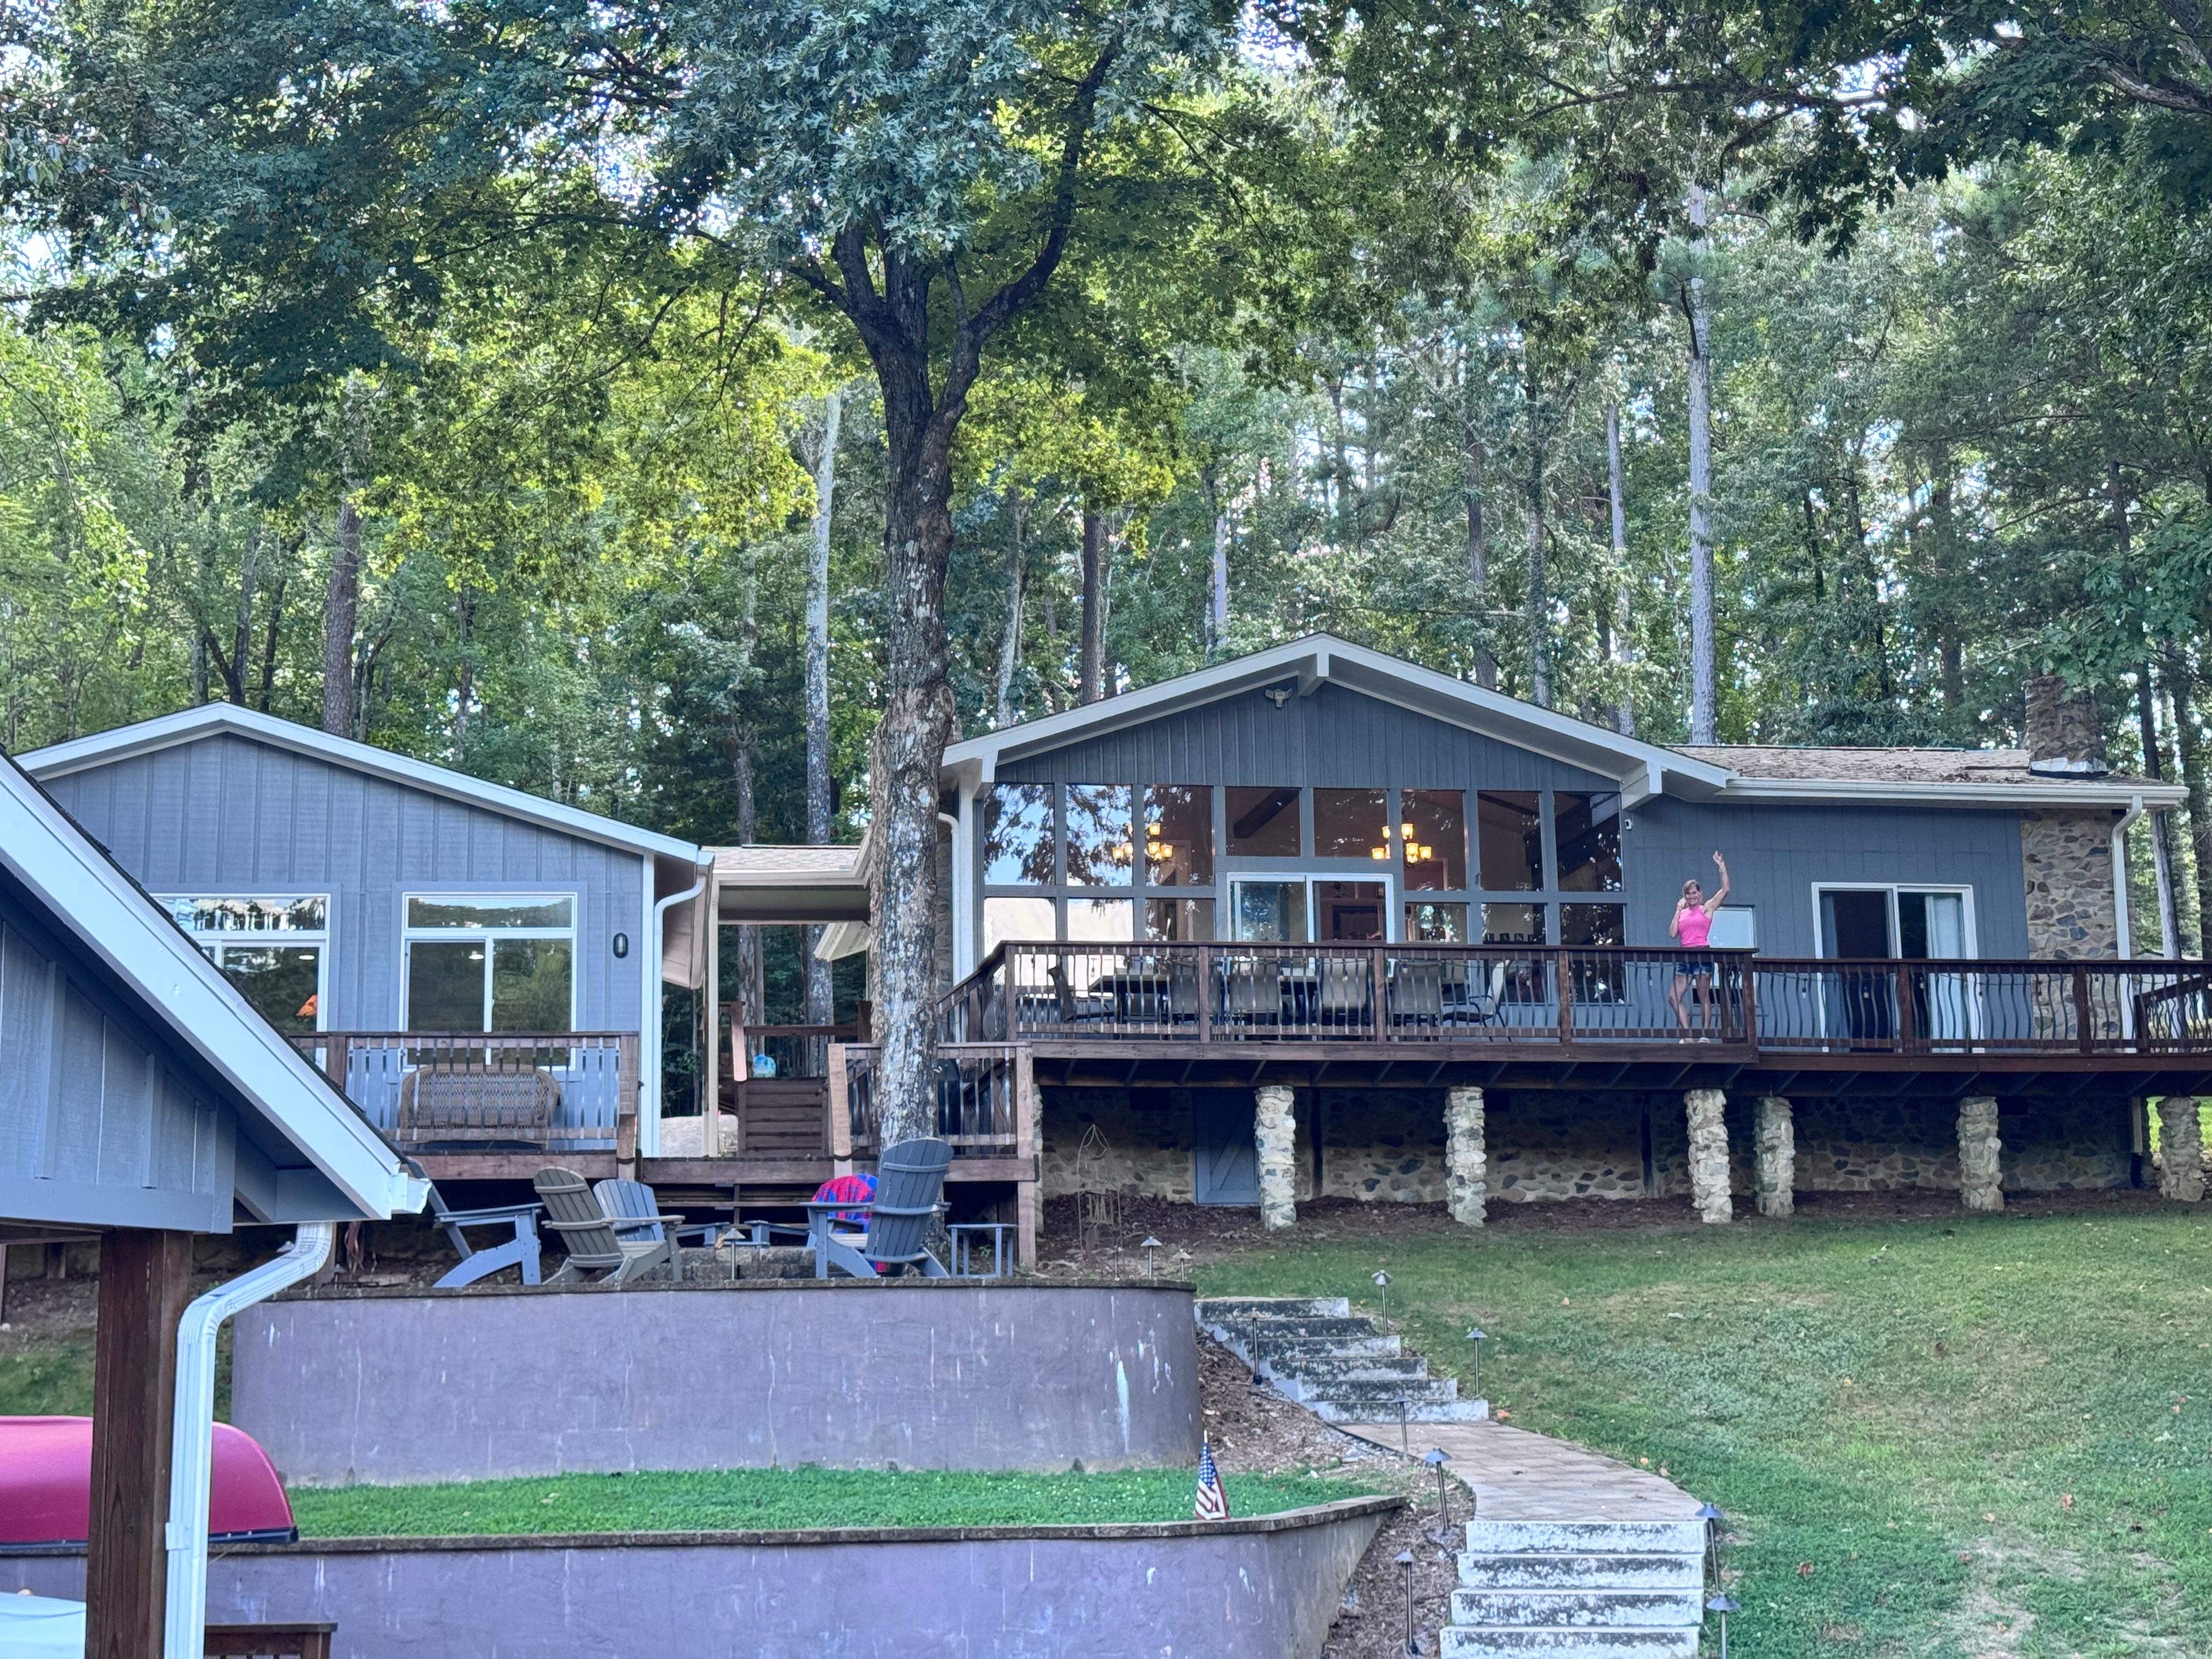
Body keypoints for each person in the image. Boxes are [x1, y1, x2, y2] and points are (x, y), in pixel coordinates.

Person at [1668, 850, 1731, 1036]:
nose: (1691, 897)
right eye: (1688, 894)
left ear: (1700, 893)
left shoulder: (1707, 908)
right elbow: (1673, 934)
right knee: (1673, 997)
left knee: (1704, 996)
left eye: (1694, 893)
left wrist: (1722, 867)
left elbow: (1725, 890)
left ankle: (1705, 1035)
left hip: (1702, 953)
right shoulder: (1683, 912)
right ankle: (1687, 1035)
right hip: (1684, 955)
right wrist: (1678, 909)